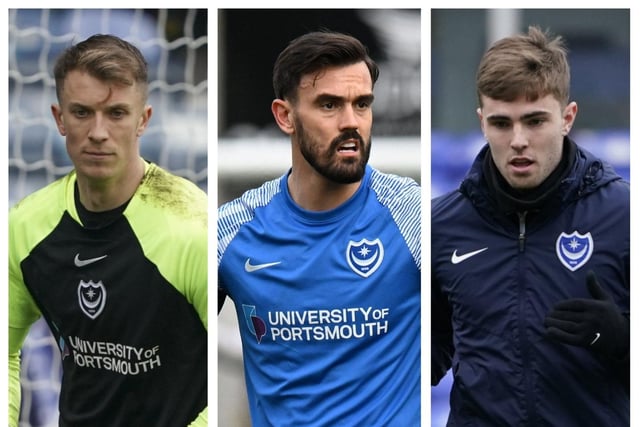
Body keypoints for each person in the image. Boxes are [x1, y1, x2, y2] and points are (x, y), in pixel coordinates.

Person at [218, 31, 421, 425]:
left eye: (362, 104)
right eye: (329, 105)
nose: (351, 122)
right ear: (285, 115)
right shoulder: (232, 234)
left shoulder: (410, 215)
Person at [431, 25, 629, 425]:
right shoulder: (443, 225)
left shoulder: (625, 217)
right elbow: (421, 361)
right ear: (482, 121)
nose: (518, 140)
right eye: (502, 124)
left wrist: (624, 343)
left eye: (535, 121)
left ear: (567, 118)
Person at [8, 34, 207, 427]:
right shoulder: (26, 227)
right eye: (82, 113)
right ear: (59, 118)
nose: (98, 132)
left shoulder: (191, 227)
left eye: (116, 113)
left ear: (143, 120)